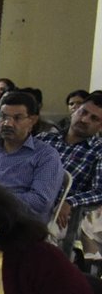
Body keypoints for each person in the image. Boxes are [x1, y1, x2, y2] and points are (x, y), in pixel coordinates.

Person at [0, 90, 65, 220]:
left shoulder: (46, 156)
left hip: (19, 223)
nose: (7, 123)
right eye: (3, 116)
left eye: (17, 118)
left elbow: (40, 202)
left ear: (33, 120)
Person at [37, 90, 102, 234]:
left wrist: (70, 202)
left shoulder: (98, 151)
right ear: (74, 111)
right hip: (25, 201)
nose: (84, 120)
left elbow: (99, 191)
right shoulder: (44, 139)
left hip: (57, 214)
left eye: (94, 118)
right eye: (83, 112)